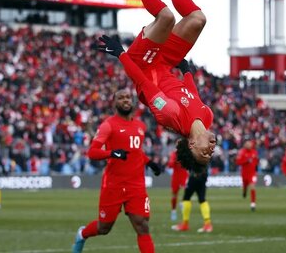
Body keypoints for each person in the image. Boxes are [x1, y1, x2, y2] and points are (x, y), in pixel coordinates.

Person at [98, 0, 216, 172]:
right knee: (198, 19)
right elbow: (192, 95)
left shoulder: (170, 116)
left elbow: (143, 81)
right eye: (211, 155)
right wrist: (187, 71)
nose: (210, 150)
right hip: (166, 63)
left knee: (166, 18)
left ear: (191, 145)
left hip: (143, 63)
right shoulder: (207, 116)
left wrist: (120, 53)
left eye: (203, 153)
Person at [72, 88, 162, 253]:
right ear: (115, 103)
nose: (125, 100)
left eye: (128, 97)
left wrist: (150, 163)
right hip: (114, 185)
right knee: (104, 227)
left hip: (136, 185)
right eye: (121, 98)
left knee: (142, 225)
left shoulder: (140, 126)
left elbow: (136, 152)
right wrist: (111, 153)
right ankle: (82, 234)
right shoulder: (108, 125)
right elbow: (92, 152)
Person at [171, 167, 212, 233]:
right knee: (202, 199)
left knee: (186, 198)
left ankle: (185, 224)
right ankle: (207, 224)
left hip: (195, 175)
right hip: (203, 175)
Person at [236, 140, 259, 211]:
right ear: (245, 145)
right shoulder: (242, 152)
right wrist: (246, 161)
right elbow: (238, 162)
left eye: (250, 144)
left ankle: (253, 204)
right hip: (244, 173)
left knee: (252, 187)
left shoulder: (254, 152)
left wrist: (256, 168)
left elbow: (256, 161)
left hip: (252, 173)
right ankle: (244, 192)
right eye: (247, 144)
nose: (249, 145)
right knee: (245, 186)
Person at [167, 147, 188, 221]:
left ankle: (182, 203)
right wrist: (173, 161)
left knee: (187, 192)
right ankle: (173, 211)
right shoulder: (174, 154)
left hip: (184, 176)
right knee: (174, 194)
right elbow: (170, 165)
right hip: (176, 177)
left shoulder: (186, 153)